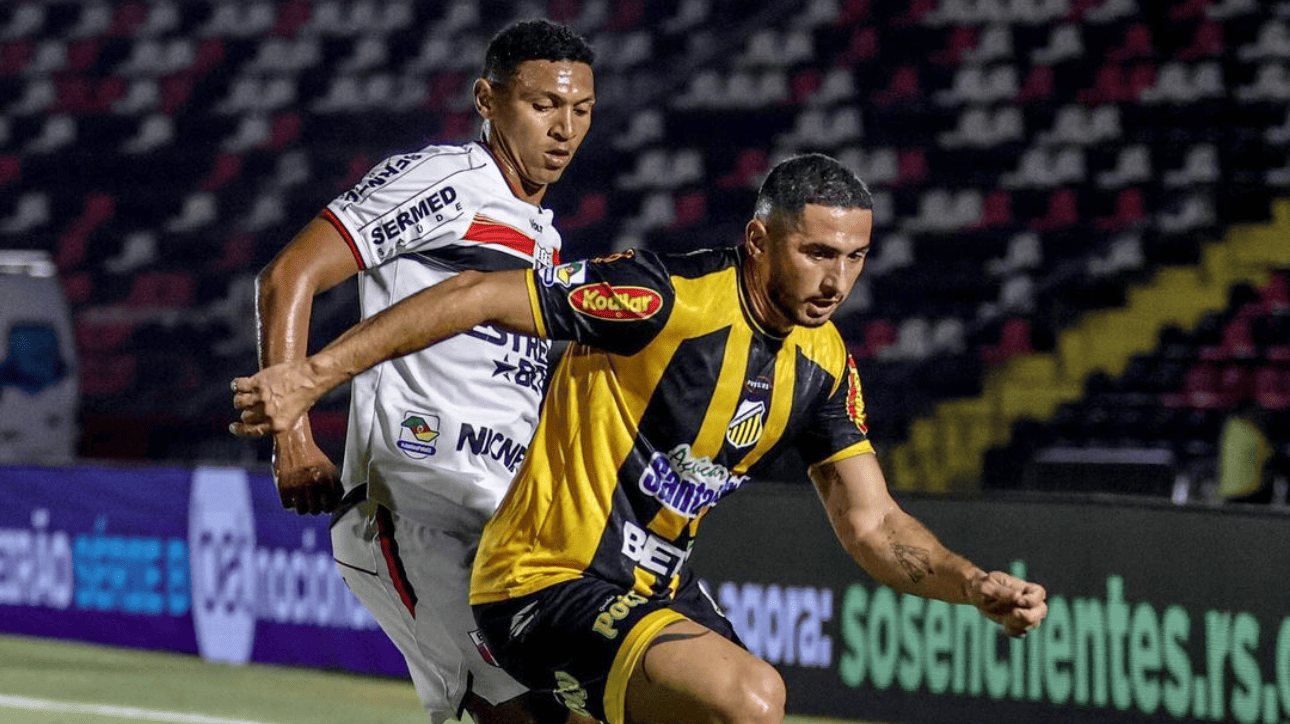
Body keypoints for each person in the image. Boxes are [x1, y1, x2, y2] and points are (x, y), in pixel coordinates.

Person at [233, 154, 1048, 724]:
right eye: (817, 253)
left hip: (651, 593)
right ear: (760, 241)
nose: (837, 280)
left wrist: (971, 584)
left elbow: (874, 525)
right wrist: (312, 376)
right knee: (749, 698)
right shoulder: (662, 299)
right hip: (543, 580)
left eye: (856, 257)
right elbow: (475, 294)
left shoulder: (826, 366)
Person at [250, 19, 596, 724]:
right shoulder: (447, 179)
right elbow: (289, 275)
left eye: (581, 110)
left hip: (497, 521)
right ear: (486, 100)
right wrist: (293, 439)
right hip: (413, 507)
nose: (564, 128)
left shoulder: (543, 234)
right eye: (542, 105)